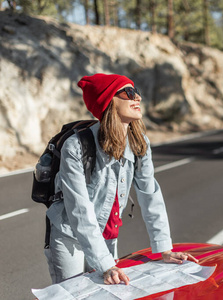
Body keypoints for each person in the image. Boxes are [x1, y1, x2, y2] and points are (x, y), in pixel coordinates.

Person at [44, 73, 197, 285]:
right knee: (73, 294)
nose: (138, 98)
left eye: (136, 92)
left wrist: (164, 249)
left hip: (107, 237)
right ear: (109, 101)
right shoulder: (76, 146)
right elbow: (79, 209)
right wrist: (105, 264)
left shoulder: (139, 141)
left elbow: (150, 193)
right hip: (70, 238)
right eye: (129, 92)